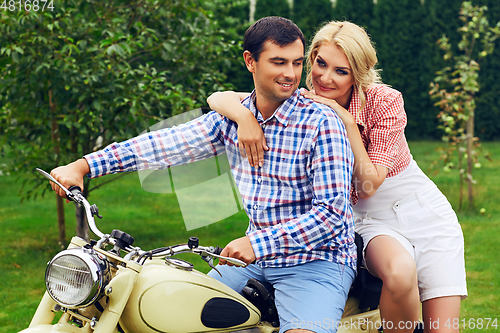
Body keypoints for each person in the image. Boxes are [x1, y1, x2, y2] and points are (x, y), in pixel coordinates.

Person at [50, 17, 356, 333]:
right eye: (278, 62)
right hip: (254, 262)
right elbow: (163, 145)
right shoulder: (231, 120)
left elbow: (331, 215)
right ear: (250, 62)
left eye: (295, 63)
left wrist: (257, 244)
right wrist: (85, 165)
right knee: (175, 312)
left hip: (319, 261)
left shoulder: (322, 124)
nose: (291, 74)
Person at [206, 21, 467, 333]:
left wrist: (344, 119)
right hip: (363, 218)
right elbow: (219, 98)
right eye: (320, 64)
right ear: (312, 57)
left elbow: (370, 182)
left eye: (341, 71)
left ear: (357, 73)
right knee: (399, 274)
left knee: (444, 329)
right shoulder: (298, 100)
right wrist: (244, 117)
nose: (326, 78)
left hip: (421, 210)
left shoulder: (384, 101)